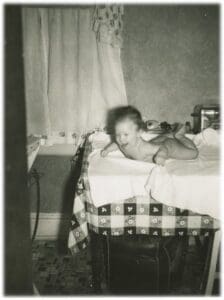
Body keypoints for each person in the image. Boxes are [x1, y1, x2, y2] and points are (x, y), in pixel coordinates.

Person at [101, 106, 198, 166]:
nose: (121, 139)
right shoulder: (123, 142)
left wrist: (161, 155)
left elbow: (162, 147)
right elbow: (116, 144)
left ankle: (179, 136)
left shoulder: (144, 148)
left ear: (139, 132)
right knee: (156, 142)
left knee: (193, 153)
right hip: (155, 144)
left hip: (169, 146)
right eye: (118, 134)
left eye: (126, 134)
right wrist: (107, 150)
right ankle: (170, 134)